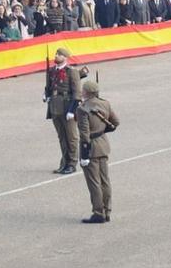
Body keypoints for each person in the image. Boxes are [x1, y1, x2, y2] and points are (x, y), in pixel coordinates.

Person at [75, 76, 118, 223]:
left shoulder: (82, 109)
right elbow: (115, 122)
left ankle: (98, 212)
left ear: (86, 93)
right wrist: (101, 131)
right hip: (103, 145)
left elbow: (84, 134)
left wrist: (85, 153)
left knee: (94, 182)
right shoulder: (105, 104)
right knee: (105, 180)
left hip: (91, 148)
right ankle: (107, 211)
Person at [43, 46, 82, 174]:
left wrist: (72, 110)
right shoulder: (51, 71)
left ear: (65, 57)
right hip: (55, 107)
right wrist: (46, 95)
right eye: (55, 54)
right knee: (62, 137)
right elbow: (48, 87)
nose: (56, 56)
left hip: (67, 107)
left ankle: (72, 163)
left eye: (58, 55)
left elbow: (77, 93)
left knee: (71, 137)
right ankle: (64, 162)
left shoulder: (72, 71)